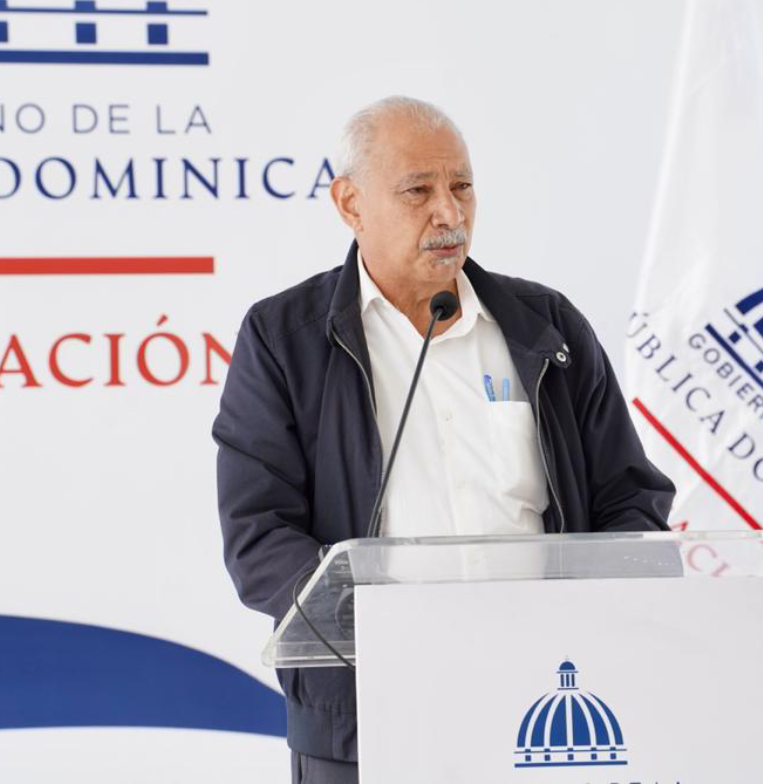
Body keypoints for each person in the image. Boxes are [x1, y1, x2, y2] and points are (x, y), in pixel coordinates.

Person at [213, 96, 675, 783]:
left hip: (540, 694)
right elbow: (259, 534)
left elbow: (629, 498)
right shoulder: (284, 339)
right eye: (418, 191)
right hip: (365, 717)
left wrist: (598, 615)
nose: (449, 214)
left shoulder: (545, 327)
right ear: (350, 204)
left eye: (461, 187)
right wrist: (381, 628)